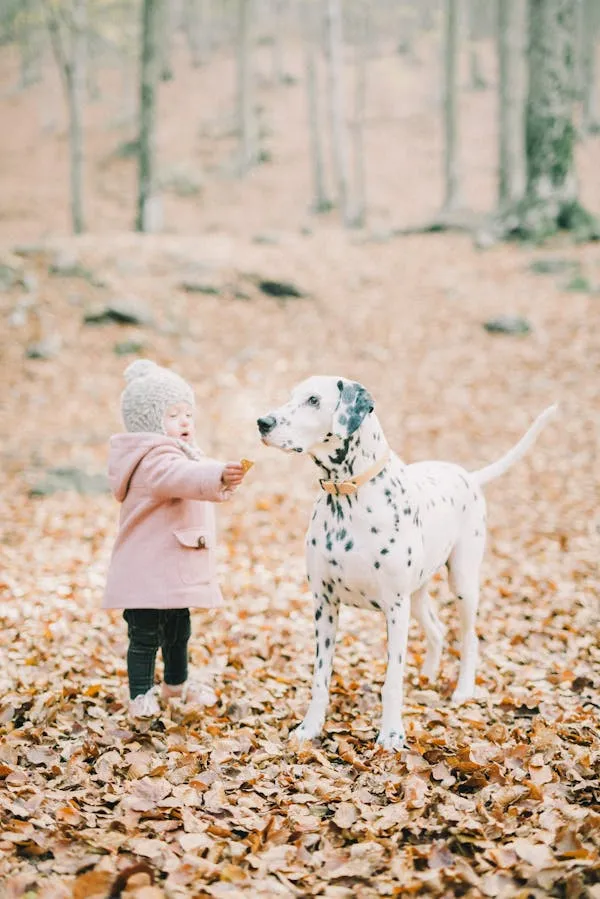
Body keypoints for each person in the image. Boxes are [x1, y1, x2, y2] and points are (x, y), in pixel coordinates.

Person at [103, 359, 248, 720]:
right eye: (173, 415)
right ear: (150, 422)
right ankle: (140, 695)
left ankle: (176, 684)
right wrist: (216, 474)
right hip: (147, 570)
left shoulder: (181, 454)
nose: (185, 421)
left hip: (168, 569)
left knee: (178, 630)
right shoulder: (154, 459)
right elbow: (181, 476)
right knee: (144, 636)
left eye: (188, 414)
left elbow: (192, 468)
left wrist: (221, 473)